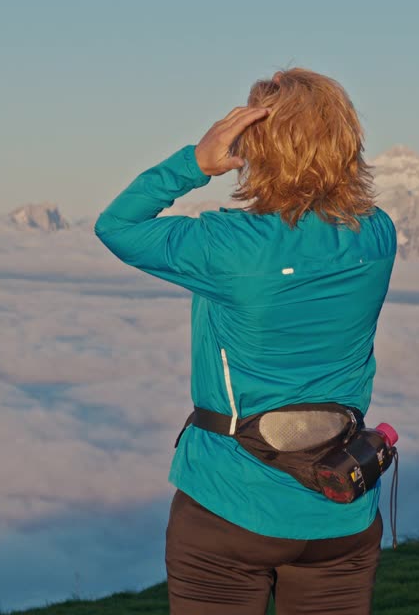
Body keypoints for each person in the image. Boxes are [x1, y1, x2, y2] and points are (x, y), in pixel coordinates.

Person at [94, 68, 397, 615]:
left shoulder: (227, 244)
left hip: (229, 508)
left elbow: (117, 226)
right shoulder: (377, 233)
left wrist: (195, 163)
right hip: (342, 507)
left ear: (256, 143)